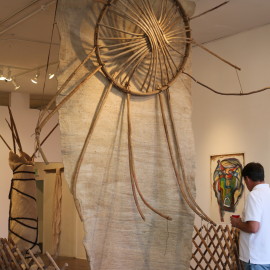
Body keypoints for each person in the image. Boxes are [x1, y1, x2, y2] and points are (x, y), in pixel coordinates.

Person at [230, 162, 270, 270]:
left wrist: (236, 223)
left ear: (247, 179)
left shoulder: (254, 195)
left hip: (256, 258)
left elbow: (253, 227)